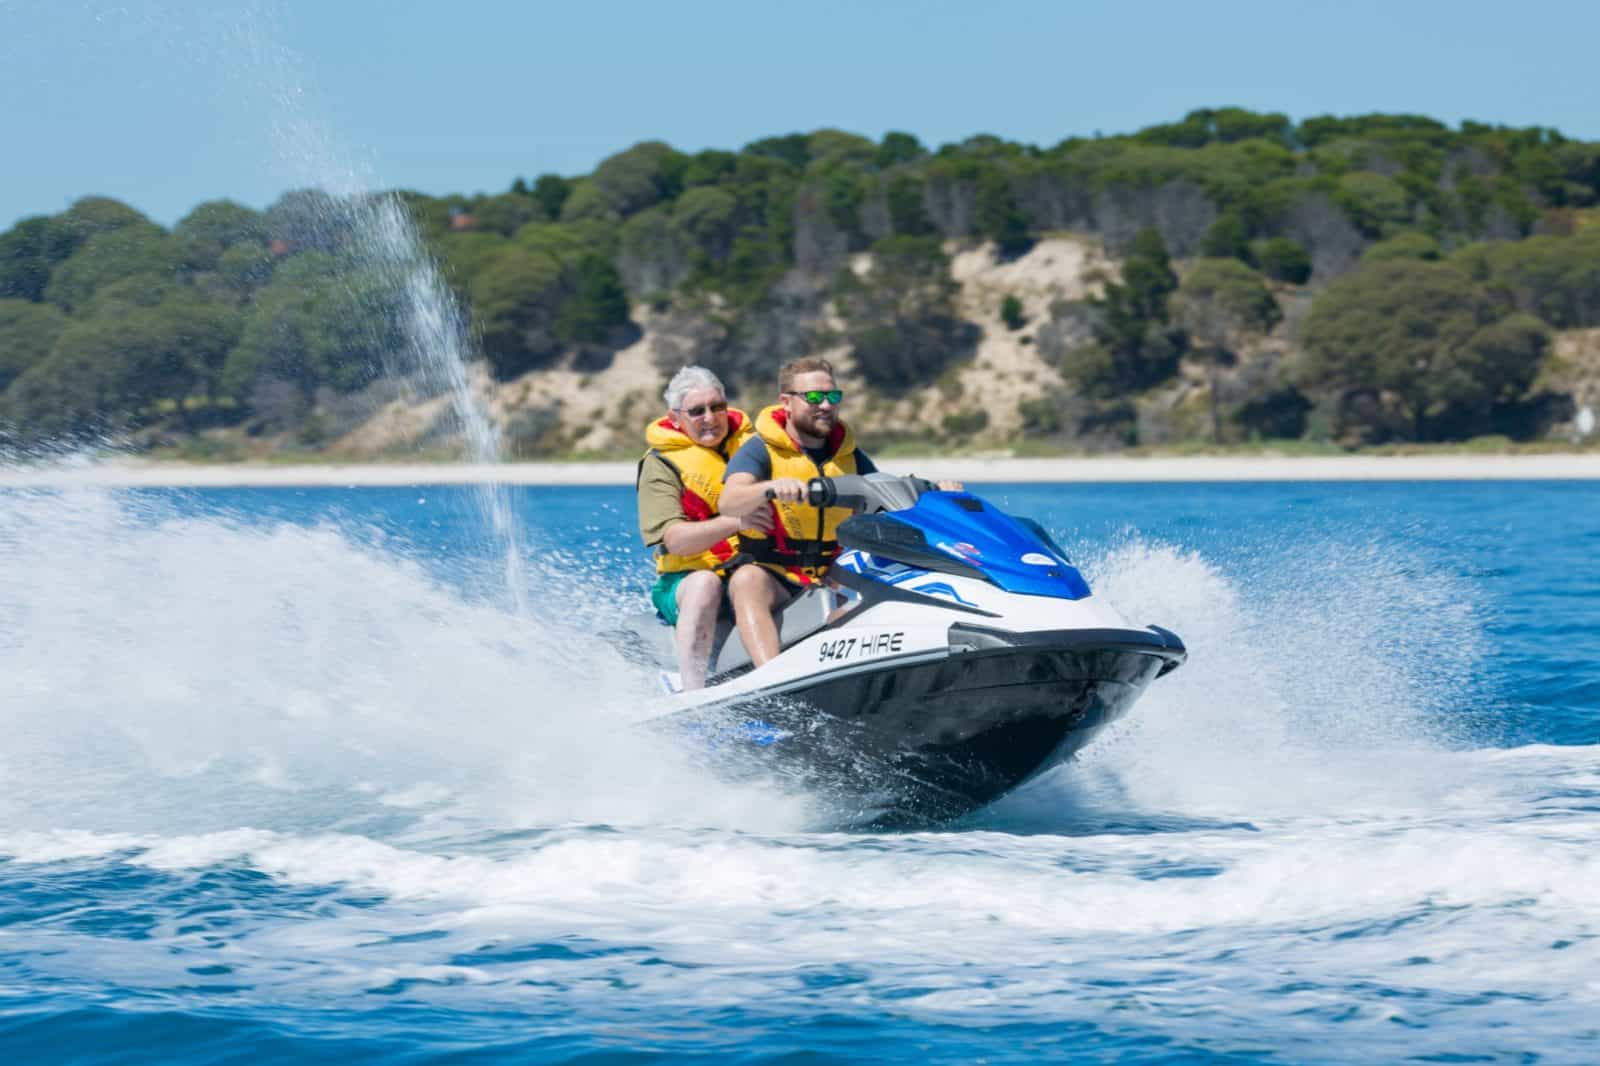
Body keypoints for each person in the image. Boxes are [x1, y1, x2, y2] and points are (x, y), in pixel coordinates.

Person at [719, 356, 960, 666]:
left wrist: (939, 492)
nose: (825, 405)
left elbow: (885, 498)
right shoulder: (760, 449)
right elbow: (729, 500)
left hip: (834, 572)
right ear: (786, 402)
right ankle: (769, 680)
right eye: (814, 398)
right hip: (777, 574)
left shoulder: (848, 454)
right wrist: (770, 488)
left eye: (833, 397)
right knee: (746, 580)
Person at [636, 366, 770, 689]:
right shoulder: (660, 465)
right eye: (697, 411)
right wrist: (736, 522)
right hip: (685, 580)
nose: (710, 418)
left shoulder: (756, 447)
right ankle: (693, 694)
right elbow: (676, 541)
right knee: (704, 584)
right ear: (676, 418)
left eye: (717, 407)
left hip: (755, 569)